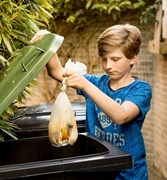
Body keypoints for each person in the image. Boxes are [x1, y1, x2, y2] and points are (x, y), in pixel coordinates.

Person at [31, 24, 152, 179]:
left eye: (115, 59)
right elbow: (56, 71)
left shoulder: (141, 90)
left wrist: (85, 85)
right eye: (104, 59)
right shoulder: (97, 83)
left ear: (133, 57)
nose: (108, 66)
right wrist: (48, 40)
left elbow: (122, 115)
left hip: (129, 171)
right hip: (99, 167)